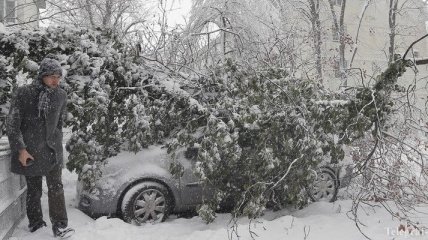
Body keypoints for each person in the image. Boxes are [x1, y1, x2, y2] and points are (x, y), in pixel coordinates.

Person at [6, 57, 74, 238]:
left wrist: (57, 143)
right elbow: (12, 124)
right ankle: (36, 225)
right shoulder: (24, 93)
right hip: (31, 151)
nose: (55, 80)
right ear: (42, 75)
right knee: (34, 190)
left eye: (58, 77)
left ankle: (60, 226)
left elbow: (59, 123)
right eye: (51, 76)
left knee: (56, 188)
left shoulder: (61, 95)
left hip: (52, 152)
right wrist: (20, 149)